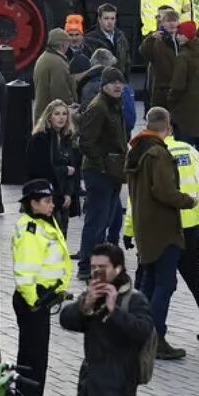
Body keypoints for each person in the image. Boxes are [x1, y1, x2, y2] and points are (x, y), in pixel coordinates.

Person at [126, 133, 199, 341]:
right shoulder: (190, 150)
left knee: (150, 279)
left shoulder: (146, 153)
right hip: (190, 224)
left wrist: (129, 230)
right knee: (194, 274)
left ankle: (139, 327)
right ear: (170, 127)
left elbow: (136, 199)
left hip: (161, 228)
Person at [125, 107, 196, 359]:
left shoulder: (137, 150)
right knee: (165, 284)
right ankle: (155, 338)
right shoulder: (158, 153)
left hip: (144, 226)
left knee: (149, 283)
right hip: (163, 228)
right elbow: (165, 192)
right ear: (168, 127)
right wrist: (189, 200)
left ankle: (139, 333)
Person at [59, 243, 155, 396]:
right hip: (91, 389)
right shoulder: (93, 296)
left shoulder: (134, 299)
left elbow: (143, 331)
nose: (96, 272)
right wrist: (85, 306)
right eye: (94, 267)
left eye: (102, 268)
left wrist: (114, 312)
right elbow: (66, 320)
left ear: (118, 269)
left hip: (115, 391)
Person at [11, 179, 71, 396]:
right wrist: (36, 301)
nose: (51, 205)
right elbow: (25, 272)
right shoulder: (30, 230)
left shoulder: (43, 222)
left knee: (36, 360)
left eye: (51, 200)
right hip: (33, 302)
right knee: (32, 362)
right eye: (46, 201)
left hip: (40, 301)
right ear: (32, 203)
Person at [78, 67, 129, 280]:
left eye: (120, 82)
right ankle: (85, 266)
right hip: (100, 173)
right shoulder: (99, 107)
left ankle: (100, 263)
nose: (118, 86)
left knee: (111, 218)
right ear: (104, 86)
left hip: (113, 172)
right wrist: (102, 164)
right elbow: (86, 141)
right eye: (113, 82)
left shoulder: (114, 105)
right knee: (97, 222)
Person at [169, 20, 199, 193]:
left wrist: (170, 103)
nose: (177, 36)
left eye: (180, 33)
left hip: (184, 112)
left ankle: (186, 184)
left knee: (184, 150)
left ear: (187, 36)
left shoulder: (184, 56)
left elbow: (178, 86)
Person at [28, 99, 78, 236]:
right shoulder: (40, 139)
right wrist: (65, 170)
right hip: (47, 197)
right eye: (57, 114)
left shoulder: (66, 138)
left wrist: (68, 194)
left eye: (64, 114)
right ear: (49, 116)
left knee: (61, 237)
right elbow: (40, 169)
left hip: (63, 197)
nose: (61, 117)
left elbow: (73, 168)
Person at [32, 28, 77, 123]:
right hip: (52, 118)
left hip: (43, 114)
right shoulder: (58, 63)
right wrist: (71, 106)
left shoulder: (44, 57)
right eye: (67, 43)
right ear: (62, 45)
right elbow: (60, 91)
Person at [139, 7, 181, 110]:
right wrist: (151, 39)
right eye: (168, 21)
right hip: (162, 93)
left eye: (174, 21)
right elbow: (144, 52)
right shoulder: (157, 40)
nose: (172, 24)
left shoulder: (183, 40)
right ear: (162, 23)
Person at [92, 2, 133, 76]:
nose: (110, 22)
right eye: (106, 18)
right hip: (101, 83)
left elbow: (127, 62)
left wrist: (125, 82)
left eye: (112, 18)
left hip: (120, 82)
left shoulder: (121, 36)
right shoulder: (91, 39)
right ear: (99, 19)